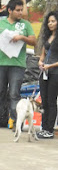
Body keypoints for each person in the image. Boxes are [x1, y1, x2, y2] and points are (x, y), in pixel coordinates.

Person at [0, 0, 36, 129]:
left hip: (17, 64)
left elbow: (34, 42)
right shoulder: (0, 23)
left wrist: (22, 37)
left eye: (21, 10)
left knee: (14, 94)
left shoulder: (25, 24)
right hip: (0, 63)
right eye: (17, 10)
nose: (20, 13)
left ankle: (16, 121)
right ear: (9, 10)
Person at [37, 11, 58, 140]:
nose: (50, 24)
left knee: (51, 101)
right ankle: (44, 127)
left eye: (53, 21)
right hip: (44, 72)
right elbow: (43, 55)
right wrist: (40, 62)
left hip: (55, 73)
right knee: (44, 101)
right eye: (49, 21)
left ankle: (49, 129)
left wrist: (50, 66)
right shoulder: (47, 36)